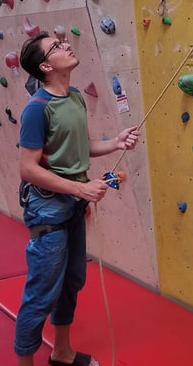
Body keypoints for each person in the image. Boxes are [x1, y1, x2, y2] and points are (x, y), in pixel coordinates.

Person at [15, 31, 139, 366]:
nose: (67, 45)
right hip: (49, 209)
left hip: (72, 203)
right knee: (42, 292)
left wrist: (114, 142)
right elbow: (28, 169)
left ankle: (62, 352)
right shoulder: (36, 110)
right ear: (45, 65)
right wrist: (80, 188)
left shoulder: (73, 97)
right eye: (57, 46)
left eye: (63, 40)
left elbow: (80, 147)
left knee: (71, 282)